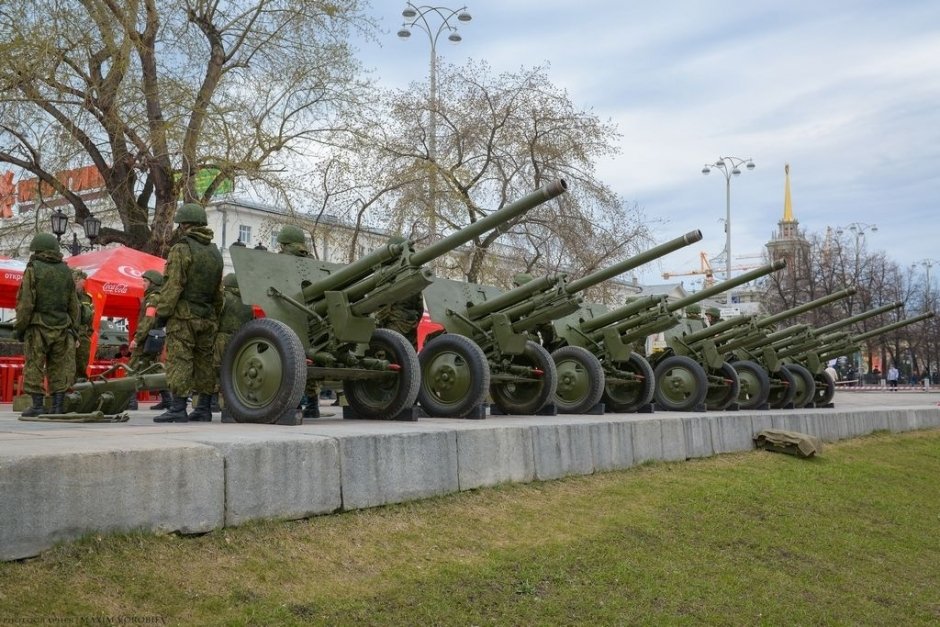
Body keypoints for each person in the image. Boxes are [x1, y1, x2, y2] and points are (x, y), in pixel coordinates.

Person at [153, 203, 223, 423]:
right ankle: (203, 408)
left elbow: (173, 285)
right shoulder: (215, 253)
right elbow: (217, 291)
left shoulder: (182, 248)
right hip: (207, 316)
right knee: (204, 361)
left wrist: (162, 314)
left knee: (180, 359)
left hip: (183, 316)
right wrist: (215, 315)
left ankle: (178, 408)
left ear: (184, 225)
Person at [15, 232, 80, 416]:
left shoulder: (33, 269)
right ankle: (57, 406)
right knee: (60, 367)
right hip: (63, 326)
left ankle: (37, 406)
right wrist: (73, 330)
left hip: (38, 326)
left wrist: (20, 328)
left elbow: (26, 303)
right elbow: (74, 304)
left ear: (38, 249)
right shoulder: (67, 271)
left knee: (35, 364)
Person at [277, 225, 321, 418]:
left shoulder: (281, 261)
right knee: (310, 360)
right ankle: (313, 405)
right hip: (314, 315)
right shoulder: (312, 262)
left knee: (290, 362)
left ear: (285, 244)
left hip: (289, 313)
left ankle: (292, 405)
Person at [213, 273, 255, 420]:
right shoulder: (247, 304)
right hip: (239, 341)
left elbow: (215, 316)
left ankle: (211, 402)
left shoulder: (225, 298)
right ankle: (229, 407)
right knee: (233, 373)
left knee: (216, 369)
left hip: (221, 338)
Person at [128, 269, 171, 410]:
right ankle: (167, 399)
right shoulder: (159, 296)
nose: (143, 284)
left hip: (147, 338)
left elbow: (148, 320)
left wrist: (137, 339)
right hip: (156, 337)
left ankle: (131, 402)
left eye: (145, 281)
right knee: (154, 368)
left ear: (153, 283)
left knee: (132, 368)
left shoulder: (152, 298)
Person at [73, 269, 94, 382]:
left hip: (83, 335)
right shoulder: (68, 296)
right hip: (70, 333)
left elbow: (91, 317)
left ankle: (80, 388)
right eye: (79, 281)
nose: (81, 283)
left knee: (82, 363)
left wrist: (87, 333)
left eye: (81, 281)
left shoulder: (87, 298)